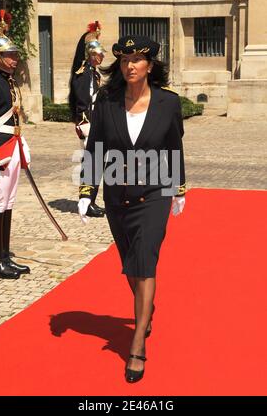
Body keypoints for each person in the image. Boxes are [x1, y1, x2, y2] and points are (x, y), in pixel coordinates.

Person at [78, 35, 186, 383]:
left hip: (155, 194)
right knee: (132, 266)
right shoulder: (107, 102)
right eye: (125, 60)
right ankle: (145, 311)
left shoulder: (168, 103)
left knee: (145, 259)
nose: (130, 66)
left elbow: (173, 147)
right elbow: (94, 148)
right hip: (117, 195)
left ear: (149, 65)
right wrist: (87, 191)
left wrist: (178, 188)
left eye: (137, 60)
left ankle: (137, 342)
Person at [0, 9, 31, 279]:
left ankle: (4, 253)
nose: (15, 59)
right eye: (10, 55)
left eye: (15, 54)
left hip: (11, 147)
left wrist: (21, 142)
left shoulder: (8, 81)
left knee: (9, 201)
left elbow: (13, 115)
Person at [69, 21, 106, 218]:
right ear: (90, 55)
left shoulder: (93, 73)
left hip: (96, 124)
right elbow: (83, 102)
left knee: (97, 164)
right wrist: (84, 125)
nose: (101, 56)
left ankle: (92, 199)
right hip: (88, 125)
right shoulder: (83, 75)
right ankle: (87, 200)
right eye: (98, 53)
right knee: (92, 164)